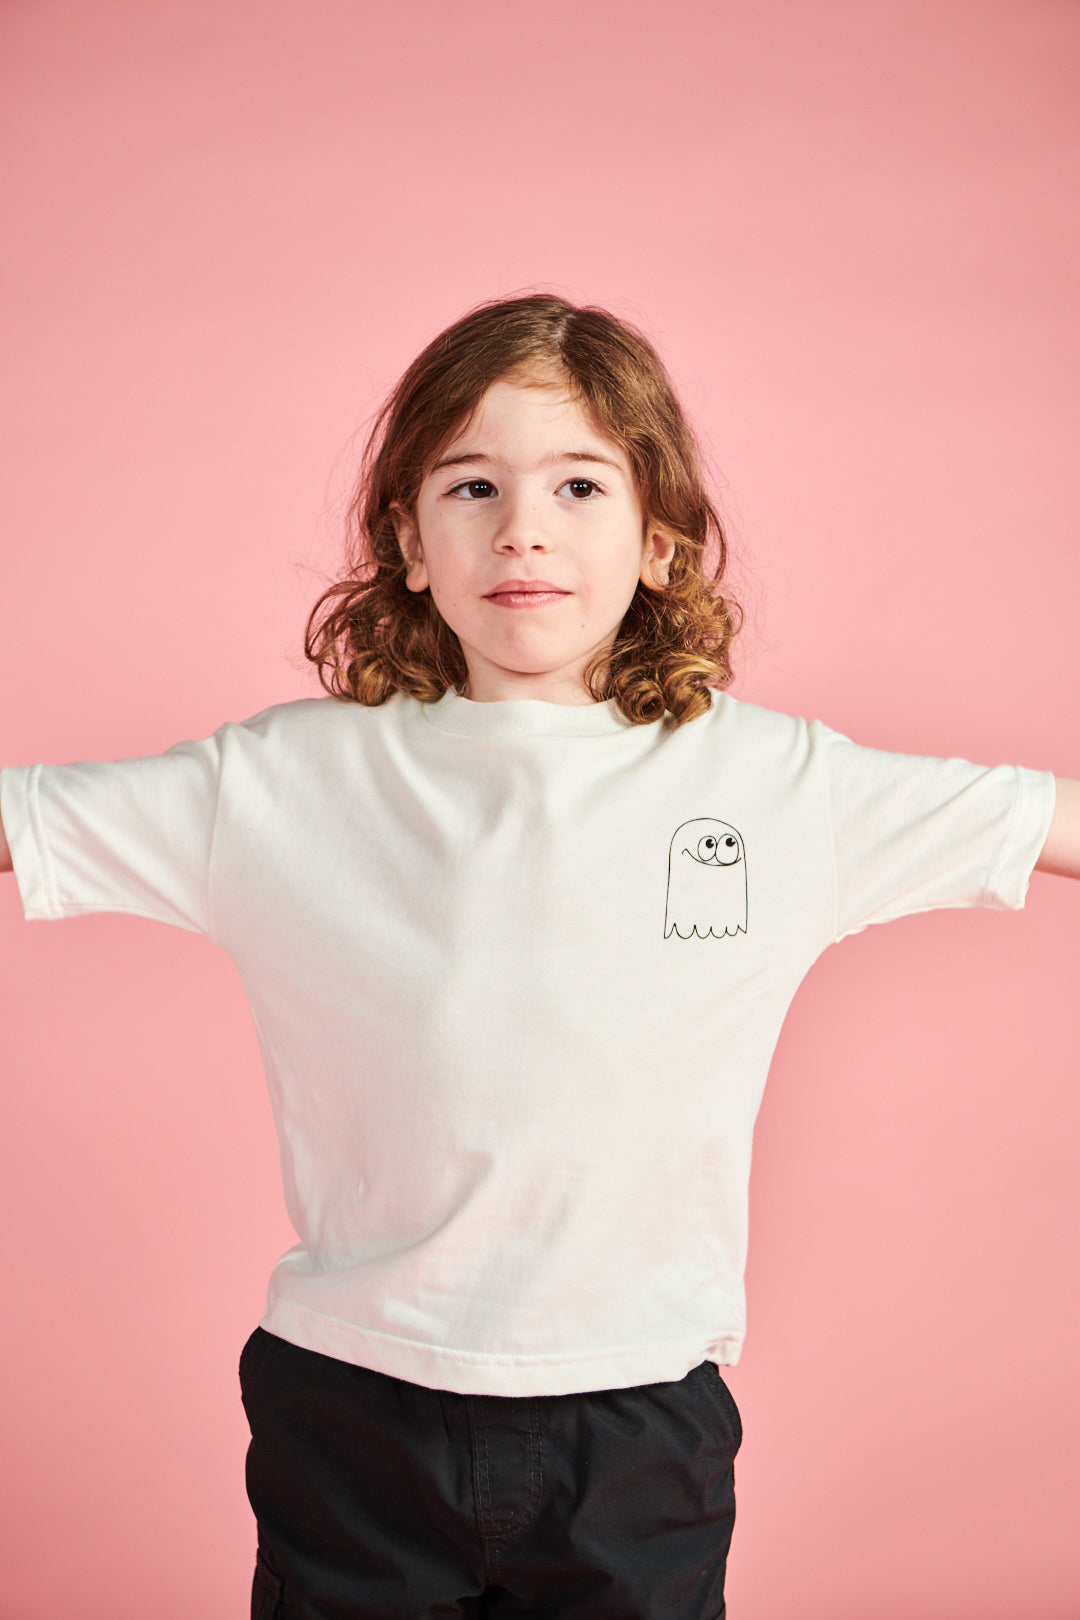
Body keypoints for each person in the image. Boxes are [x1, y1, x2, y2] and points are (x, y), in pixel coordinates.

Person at [0, 293, 1076, 1620]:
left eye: (579, 484)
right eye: (471, 485)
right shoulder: (278, 785)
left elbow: (1042, 818)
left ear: (664, 543)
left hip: (634, 1418)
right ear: (406, 539)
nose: (523, 528)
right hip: (352, 1402)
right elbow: (26, 820)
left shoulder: (781, 785)